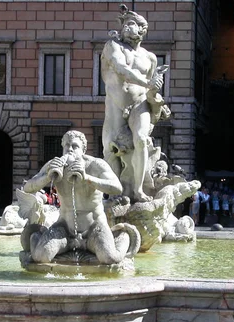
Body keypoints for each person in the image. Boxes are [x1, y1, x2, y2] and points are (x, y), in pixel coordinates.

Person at [22, 130, 126, 264]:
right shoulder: (54, 165)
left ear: (83, 150)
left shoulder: (95, 164)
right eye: (66, 146)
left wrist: (87, 178)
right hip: (64, 228)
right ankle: (38, 236)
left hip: (94, 226)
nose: (70, 149)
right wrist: (46, 177)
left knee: (109, 257)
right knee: (41, 257)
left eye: (75, 146)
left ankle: (123, 237)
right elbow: (28, 188)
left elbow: (117, 187)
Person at [101, 6, 168, 202]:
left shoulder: (150, 58)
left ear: (142, 29)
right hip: (115, 104)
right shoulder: (112, 46)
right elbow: (121, 68)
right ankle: (115, 194)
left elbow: (150, 89)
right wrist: (148, 82)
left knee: (140, 139)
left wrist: (155, 92)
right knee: (110, 150)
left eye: (131, 24)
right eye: (125, 24)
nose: (125, 28)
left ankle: (138, 190)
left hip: (140, 103)